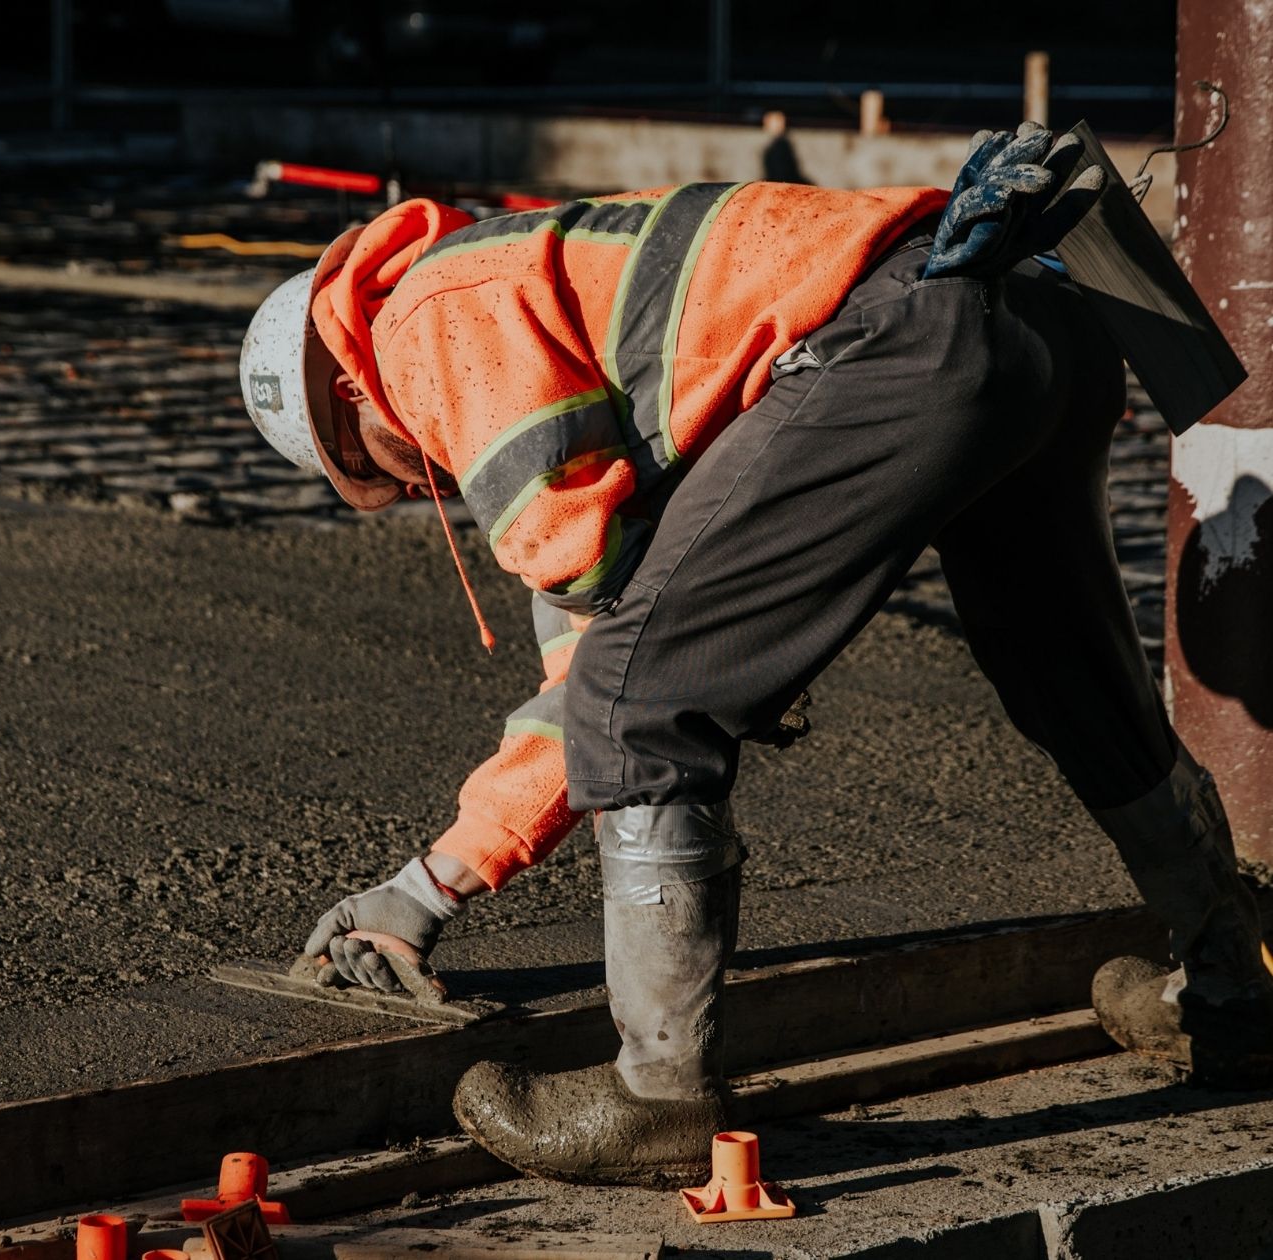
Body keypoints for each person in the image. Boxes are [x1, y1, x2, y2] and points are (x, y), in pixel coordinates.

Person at [238, 125, 1273, 1187]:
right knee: (1074, 681)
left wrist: (426, 889)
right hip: (1032, 314)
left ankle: (658, 1094)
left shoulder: (430, 332)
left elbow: (605, 667)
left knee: (640, 706)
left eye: (375, 471)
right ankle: (1234, 983)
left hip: (905, 337)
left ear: (347, 393)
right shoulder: (524, 278)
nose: (418, 490)